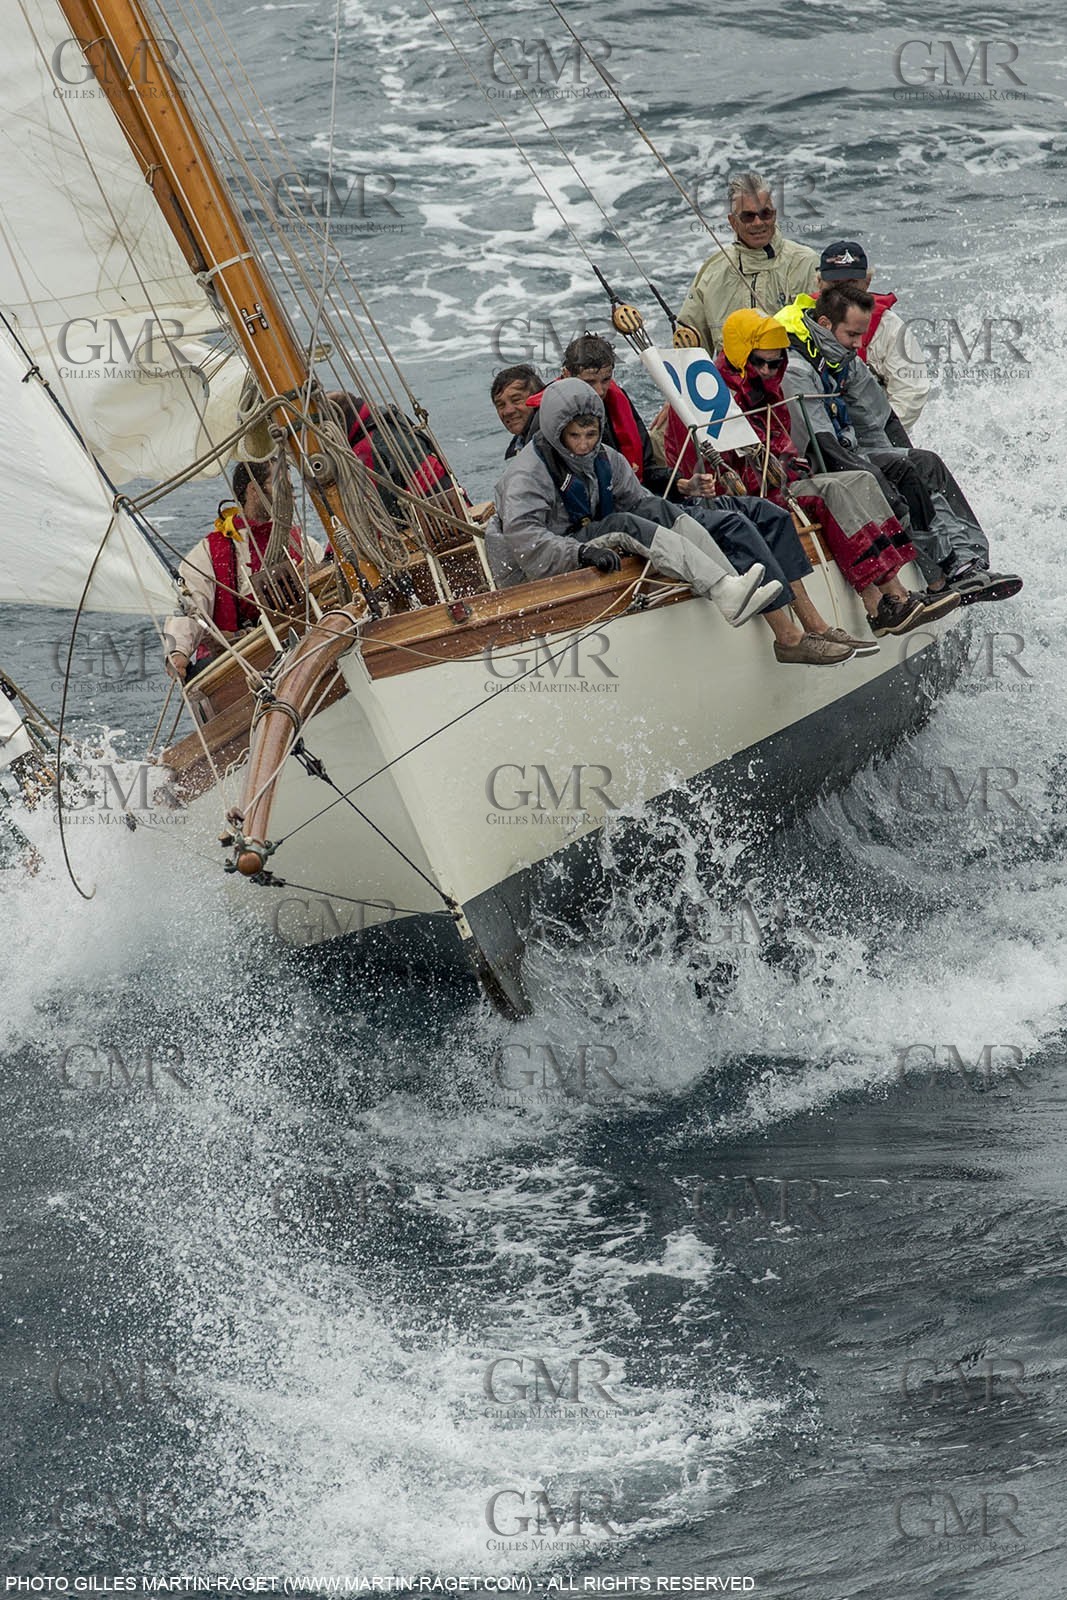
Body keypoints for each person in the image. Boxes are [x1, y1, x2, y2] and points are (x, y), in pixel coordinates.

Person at [486, 379, 859, 667]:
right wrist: (581, 551)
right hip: (539, 569)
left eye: (591, 434)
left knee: (656, 511)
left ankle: (729, 586)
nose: (584, 444)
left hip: (585, 537)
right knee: (624, 523)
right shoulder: (526, 476)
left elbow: (645, 503)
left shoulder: (607, 458)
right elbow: (527, 541)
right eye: (574, 436)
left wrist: (688, 504)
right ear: (555, 433)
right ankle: (726, 590)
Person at [691, 309, 961, 638]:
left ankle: (896, 590)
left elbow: (782, 442)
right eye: (760, 362)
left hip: (784, 481)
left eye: (776, 363)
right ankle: (876, 602)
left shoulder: (769, 389)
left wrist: (792, 463)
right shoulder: (713, 397)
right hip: (756, 492)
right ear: (739, 355)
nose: (767, 370)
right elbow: (716, 462)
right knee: (833, 490)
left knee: (863, 479)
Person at [776, 285, 1022, 605]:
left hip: (850, 447)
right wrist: (883, 475)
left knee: (924, 461)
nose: (858, 344)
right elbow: (821, 445)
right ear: (824, 325)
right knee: (895, 475)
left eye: (862, 335)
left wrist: (905, 457)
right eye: (852, 335)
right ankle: (941, 573)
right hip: (817, 460)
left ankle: (968, 562)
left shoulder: (843, 356)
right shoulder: (796, 368)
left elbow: (879, 420)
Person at [163, 460, 326, 681]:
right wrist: (178, 651)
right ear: (253, 490)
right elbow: (189, 602)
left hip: (305, 648)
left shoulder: (303, 544)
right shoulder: (211, 552)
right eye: (282, 487)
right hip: (238, 667)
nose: (291, 495)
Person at [676, 171, 819, 355]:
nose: (758, 222)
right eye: (748, 216)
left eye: (765, 214)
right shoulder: (712, 271)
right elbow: (689, 346)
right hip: (727, 382)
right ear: (732, 222)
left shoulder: (805, 263)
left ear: (774, 215)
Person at [816, 240, 929, 439]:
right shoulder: (799, 320)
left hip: (874, 433)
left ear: (867, 283)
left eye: (850, 283)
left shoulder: (890, 327)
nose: (842, 293)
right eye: (835, 284)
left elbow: (910, 393)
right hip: (820, 431)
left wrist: (874, 434)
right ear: (819, 283)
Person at [490, 364, 545, 458]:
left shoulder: (551, 444)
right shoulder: (518, 446)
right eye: (500, 405)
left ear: (538, 399)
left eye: (516, 400)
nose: (508, 411)